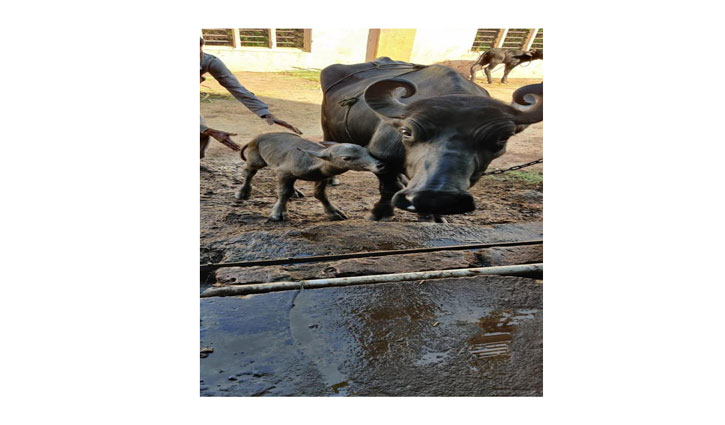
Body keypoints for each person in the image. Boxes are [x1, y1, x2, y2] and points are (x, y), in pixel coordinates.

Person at [200, 37, 302, 158]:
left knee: (201, 134)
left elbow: (237, 89)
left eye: (199, 53)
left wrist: (265, 113)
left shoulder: (210, 61)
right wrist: (208, 131)